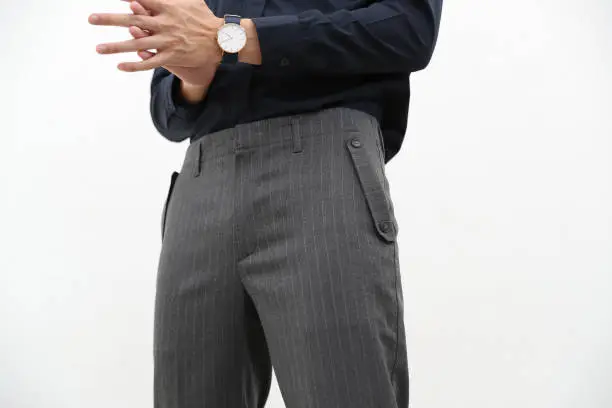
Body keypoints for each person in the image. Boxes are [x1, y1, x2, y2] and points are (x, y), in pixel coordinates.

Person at [89, 0, 442, 406]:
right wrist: (193, 78)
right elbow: (170, 116)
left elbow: (408, 29)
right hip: (201, 176)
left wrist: (232, 39)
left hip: (322, 168)